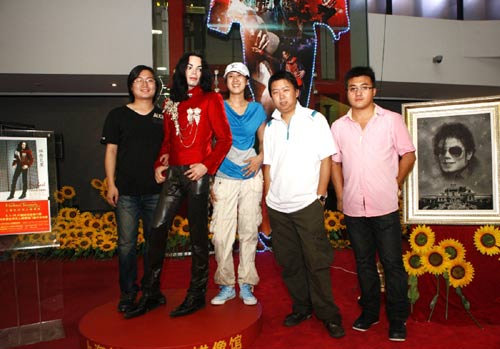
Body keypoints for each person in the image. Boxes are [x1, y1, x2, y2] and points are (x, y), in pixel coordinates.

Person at [125, 52, 232, 319]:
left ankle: (196, 295)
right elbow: (168, 143)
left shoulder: (212, 98)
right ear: (181, 71)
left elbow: (225, 139)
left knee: (197, 236)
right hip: (173, 173)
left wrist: (206, 166)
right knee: (157, 227)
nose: (194, 72)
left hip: (198, 174)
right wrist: (159, 164)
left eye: (199, 67)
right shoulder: (171, 102)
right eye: (189, 67)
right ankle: (151, 294)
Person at [330, 66, 416, 342]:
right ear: (347, 92)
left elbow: (409, 155)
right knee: (364, 263)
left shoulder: (391, 120)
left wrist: (396, 182)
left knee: (392, 264)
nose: (358, 92)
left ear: (374, 91)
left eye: (364, 87)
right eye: (353, 87)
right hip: (354, 207)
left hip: (385, 206)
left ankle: (398, 318)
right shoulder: (338, 126)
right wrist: (341, 196)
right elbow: (335, 163)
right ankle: (369, 312)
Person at [263, 70, 345, 339]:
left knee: (317, 261)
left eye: (285, 90)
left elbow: (326, 159)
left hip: (307, 203)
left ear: (296, 91)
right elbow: (268, 166)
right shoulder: (271, 126)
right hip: (278, 206)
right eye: (275, 92)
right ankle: (301, 307)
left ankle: (328, 314)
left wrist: (321, 195)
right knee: (289, 262)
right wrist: (267, 201)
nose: (281, 96)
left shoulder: (314, 119)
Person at [100, 65, 165, 313]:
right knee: (126, 246)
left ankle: (152, 291)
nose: (145, 84)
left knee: (154, 246)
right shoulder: (117, 115)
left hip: (155, 192)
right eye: (139, 80)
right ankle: (128, 293)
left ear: (156, 87)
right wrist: (111, 184)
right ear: (131, 86)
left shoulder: (163, 117)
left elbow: (169, 150)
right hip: (125, 192)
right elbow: (111, 151)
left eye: (150, 80)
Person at [209, 62, 266, 306]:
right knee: (221, 236)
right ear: (225, 81)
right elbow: (207, 142)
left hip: (251, 176)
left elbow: (264, 142)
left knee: (249, 231)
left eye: (239, 76)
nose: (235, 80)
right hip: (224, 176)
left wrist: (260, 159)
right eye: (230, 76)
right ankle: (225, 285)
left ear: (246, 81)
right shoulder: (217, 107)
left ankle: (246, 284)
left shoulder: (257, 109)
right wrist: (210, 178)